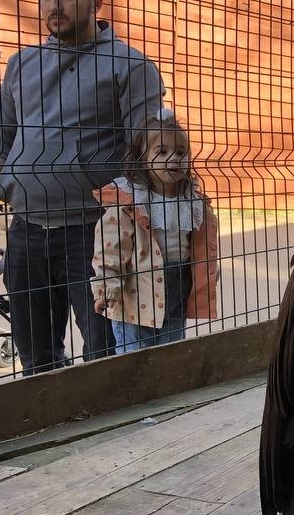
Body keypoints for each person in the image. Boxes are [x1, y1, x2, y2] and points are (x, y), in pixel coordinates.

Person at [0, 0, 165, 375]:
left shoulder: (130, 66)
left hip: (93, 233)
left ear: (96, 1)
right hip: (26, 232)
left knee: (102, 355)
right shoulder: (20, 64)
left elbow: (146, 153)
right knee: (36, 359)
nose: (53, 6)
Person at [91, 116, 219, 351]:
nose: (173, 159)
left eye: (181, 152)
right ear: (143, 159)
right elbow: (110, 248)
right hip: (135, 294)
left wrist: (207, 275)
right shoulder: (131, 200)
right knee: (135, 357)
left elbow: (200, 247)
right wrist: (106, 288)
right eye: (162, 152)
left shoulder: (190, 200)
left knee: (170, 353)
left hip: (177, 287)